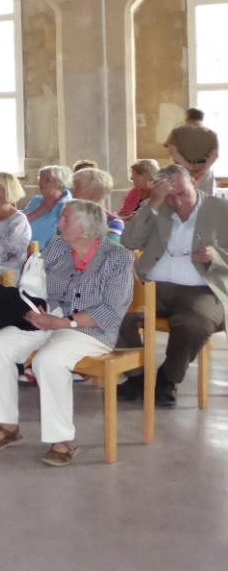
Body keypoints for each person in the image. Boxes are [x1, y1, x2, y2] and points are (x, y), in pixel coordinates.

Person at [0, 200, 136, 466]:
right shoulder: (59, 246)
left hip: (91, 329)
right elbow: (33, 281)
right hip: (51, 319)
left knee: (48, 360)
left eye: (66, 220)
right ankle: (7, 426)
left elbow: (111, 310)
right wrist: (35, 307)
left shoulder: (117, 257)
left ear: (86, 227)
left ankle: (62, 440)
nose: (58, 224)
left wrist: (64, 323)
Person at [120, 164, 228, 407]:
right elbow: (129, 241)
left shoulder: (222, 209)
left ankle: (167, 379)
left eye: (182, 193)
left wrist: (216, 255)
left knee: (194, 323)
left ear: (195, 184)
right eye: (168, 196)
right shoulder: (158, 210)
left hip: (202, 289)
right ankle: (139, 376)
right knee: (111, 309)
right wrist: (153, 205)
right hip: (153, 287)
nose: (177, 202)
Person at [165, 108, 218, 195]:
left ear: (187, 117)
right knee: (206, 200)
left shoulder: (177, 131)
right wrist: (202, 171)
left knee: (183, 198)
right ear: (202, 118)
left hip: (183, 170)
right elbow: (215, 154)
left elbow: (173, 152)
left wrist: (189, 167)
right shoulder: (211, 133)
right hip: (204, 170)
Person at [21, 165, 73, 248]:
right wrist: (42, 209)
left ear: (60, 183)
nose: (41, 183)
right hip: (28, 251)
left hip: (56, 254)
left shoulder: (69, 205)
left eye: (47, 180)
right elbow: (20, 224)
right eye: (40, 178)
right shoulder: (36, 201)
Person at [71, 166, 124, 242]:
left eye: (78, 187)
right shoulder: (69, 219)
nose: (72, 191)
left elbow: (109, 250)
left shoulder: (113, 223)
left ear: (95, 192)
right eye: (72, 186)